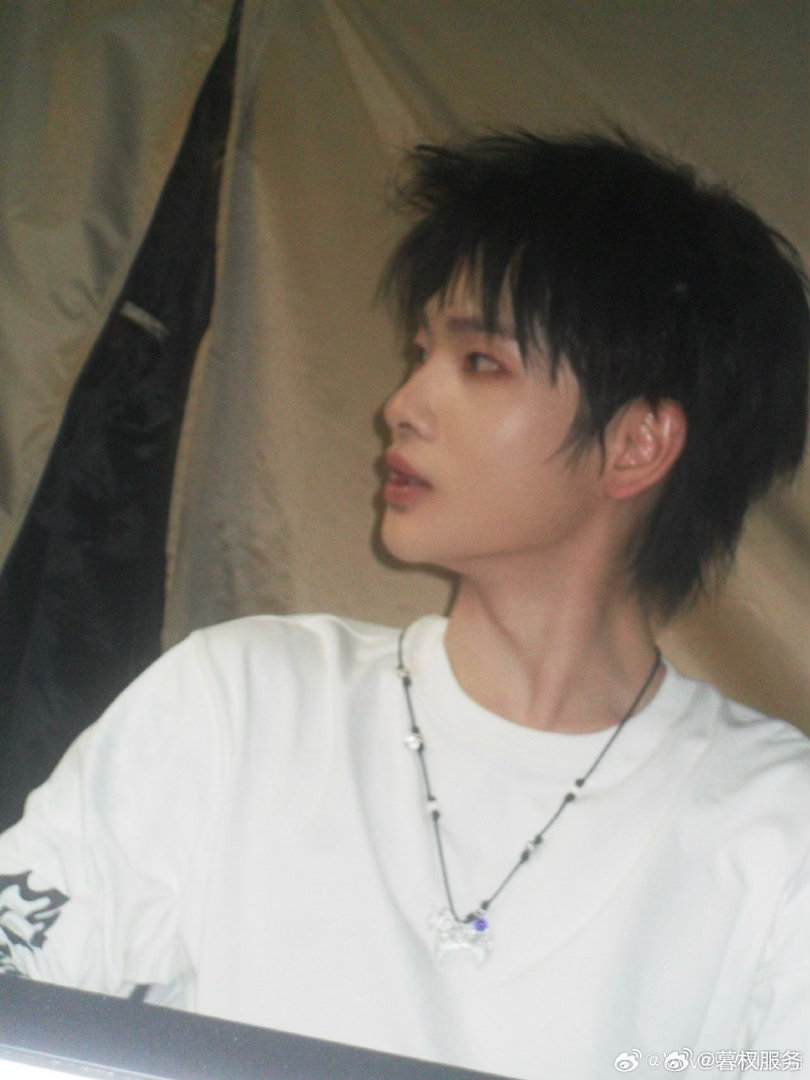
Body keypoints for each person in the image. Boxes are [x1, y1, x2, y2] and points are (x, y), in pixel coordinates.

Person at [0, 131, 808, 1080]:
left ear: (636, 443)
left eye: (480, 362)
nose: (402, 404)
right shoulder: (246, 700)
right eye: (421, 352)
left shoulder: (775, 829)